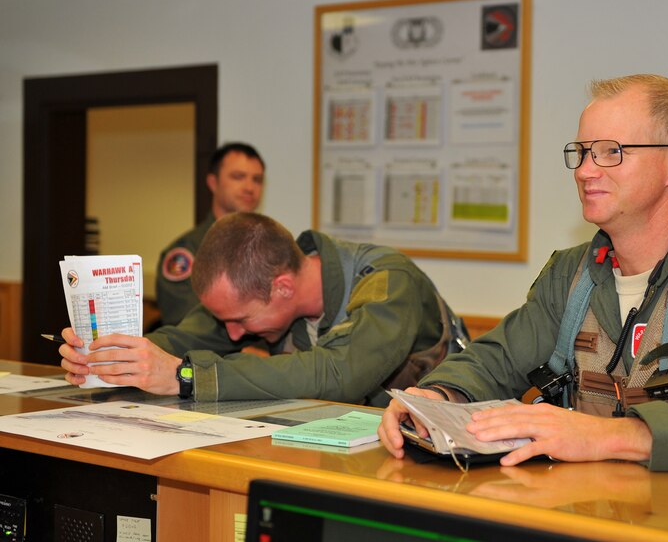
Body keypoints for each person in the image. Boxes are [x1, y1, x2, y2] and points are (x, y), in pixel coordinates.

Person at [379, 74, 668, 477]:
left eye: (611, 151)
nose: (586, 171)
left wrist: (619, 436)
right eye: (582, 151)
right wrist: (433, 399)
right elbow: (494, 360)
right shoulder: (571, 274)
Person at [59, 213, 467, 406]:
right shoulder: (251, 291)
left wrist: (184, 376)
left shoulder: (388, 282)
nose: (233, 334)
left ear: (283, 287)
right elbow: (182, 338)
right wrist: (115, 357)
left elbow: (338, 374)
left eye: (241, 321)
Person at [156, 142, 265, 326]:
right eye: (238, 177)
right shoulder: (187, 252)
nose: (249, 187)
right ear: (213, 183)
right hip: (216, 354)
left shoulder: (269, 247)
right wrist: (249, 354)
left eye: (257, 179)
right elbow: (186, 327)